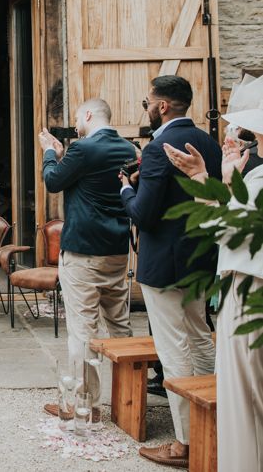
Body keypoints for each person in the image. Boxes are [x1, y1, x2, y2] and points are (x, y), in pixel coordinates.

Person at [119, 75, 222, 468]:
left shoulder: (160, 146)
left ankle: (185, 442)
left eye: (148, 101)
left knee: (173, 347)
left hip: (165, 264)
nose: (146, 106)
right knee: (200, 336)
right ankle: (216, 420)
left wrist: (126, 190)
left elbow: (144, 213)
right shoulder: (209, 143)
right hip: (200, 258)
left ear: (162, 106)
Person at [163, 75, 263, 472]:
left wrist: (213, 179)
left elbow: (225, 230)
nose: (237, 137)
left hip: (248, 287)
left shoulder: (256, 179)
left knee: (242, 398)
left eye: (243, 130)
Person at [38, 98, 135, 419]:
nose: (76, 123)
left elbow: (53, 181)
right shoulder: (128, 149)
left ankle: (85, 405)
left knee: (82, 330)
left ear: (90, 115)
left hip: (83, 250)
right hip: (117, 249)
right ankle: (129, 403)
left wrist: (50, 153)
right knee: (120, 325)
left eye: (78, 117)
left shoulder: (82, 148)